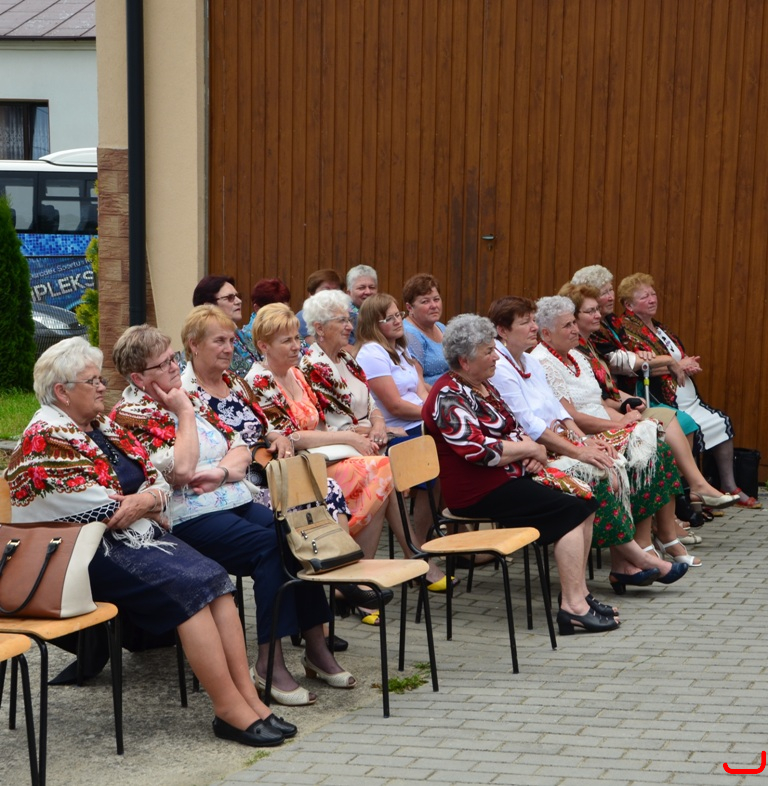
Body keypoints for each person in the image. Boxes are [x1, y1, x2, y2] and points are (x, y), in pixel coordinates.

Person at [5, 337, 294, 747]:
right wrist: (147, 500)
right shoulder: (44, 438)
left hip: (133, 537)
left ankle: (250, 699)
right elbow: (105, 508)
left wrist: (147, 499)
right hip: (80, 554)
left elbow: (156, 480)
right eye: (92, 381)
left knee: (216, 580)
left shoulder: (102, 426)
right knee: (190, 590)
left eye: (100, 378)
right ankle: (229, 709)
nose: (103, 386)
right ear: (62, 392)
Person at [111, 325, 355, 707]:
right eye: (163, 364)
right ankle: (269, 662)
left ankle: (316, 647)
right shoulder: (133, 415)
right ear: (139, 378)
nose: (174, 367)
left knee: (298, 536)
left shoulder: (188, 396)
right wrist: (184, 414)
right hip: (187, 516)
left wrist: (223, 471)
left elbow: (241, 445)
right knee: (270, 548)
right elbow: (180, 471)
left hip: (231, 497)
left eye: (173, 358)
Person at [247, 302, 454, 613]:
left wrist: (373, 428)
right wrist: (352, 437)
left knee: (383, 471)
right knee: (382, 470)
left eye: (296, 338)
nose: (297, 346)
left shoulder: (297, 373)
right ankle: (383, 568)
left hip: (324, 456)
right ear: (264, 346)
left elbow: (335, 419)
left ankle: (361, 579)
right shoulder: (260, 380)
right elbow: (291, 436)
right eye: (286, 340)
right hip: (300, 471)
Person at [422, 314, 619, 636]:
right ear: (464, 361)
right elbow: (479, 451)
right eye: (488, 351)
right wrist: (529, 450)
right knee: (571, 510)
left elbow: (513, 428)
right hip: (477, 492)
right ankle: (572, 608)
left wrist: (531, 452)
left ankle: (580, 595)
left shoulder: (482, 386)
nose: (496, 357)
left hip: (506, 478)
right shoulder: (447, 396)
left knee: (585, 501)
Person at [178, 304, 354, 650]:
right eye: (219, 341)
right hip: (231, 486)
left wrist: (276, 436)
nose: (229, 348)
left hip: (259, 475)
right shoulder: (187, 393)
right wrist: (248, 454)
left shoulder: (234, 383)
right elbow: (212, 450)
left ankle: (322, 618)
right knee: (294, 526)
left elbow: (263, 425)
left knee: (310, 510)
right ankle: (329, 600)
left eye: (232, 340)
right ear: (194, 345)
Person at [488, 296, 688, 589]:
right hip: (536, 451)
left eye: (533, 320)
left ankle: (640, 551)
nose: (533, 327)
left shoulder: (528, 360)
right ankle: (634, 557)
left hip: (559, 439)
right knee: (604, 471)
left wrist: (585, 442)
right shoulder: (502, 366)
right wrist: (581, 450)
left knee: (636, 452)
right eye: (526, 322)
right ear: (503, 330)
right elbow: (530, 424)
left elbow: (559, 412)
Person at [530, 296, 703, 573]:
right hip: (578, 436)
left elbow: (597, 401)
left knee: (657, 447)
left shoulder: (577, 355)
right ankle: (645, 542)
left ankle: (664, 535)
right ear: (546, 333)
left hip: (599, 427)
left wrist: (624, 414)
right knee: (646, 452)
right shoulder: (543, 362)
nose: (575, 330)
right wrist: (619, 427)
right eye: (567, 325)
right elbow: (570, 417)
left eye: (574, 322)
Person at [617, 273, 758, 508]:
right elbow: (638, 369)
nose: (652, 299)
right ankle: (693, 497)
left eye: (653, 294)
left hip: (688, 396)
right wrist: (676, 367)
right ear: (629, 305)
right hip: (664, 398)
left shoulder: (659, 327)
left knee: (721, 422)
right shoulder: (627, 331)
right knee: (691, 427)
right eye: (644, 297)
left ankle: (728, 485)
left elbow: (675, 358)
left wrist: (687, 364)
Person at [356, 294, 459, 572]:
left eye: (397, 315)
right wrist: (435, 416)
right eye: (388, 318)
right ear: (373, 324)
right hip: (396, 431)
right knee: (434, 455)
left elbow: (421, 390)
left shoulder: (400, 349)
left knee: (451, 450)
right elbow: (395, 405)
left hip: (418, 424)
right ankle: (420, 547)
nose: (397, 321)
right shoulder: (371, 353)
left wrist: (438, 412)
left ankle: (436, 539)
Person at [192, 275, 256, 376]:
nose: (239, 301)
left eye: (237, 296)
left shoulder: (247, 336)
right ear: (208, 306)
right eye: (230, 298)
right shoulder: (199, 344)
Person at [402, 273, 449, 386]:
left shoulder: (441, 327)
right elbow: (418, 383)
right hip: (432, 394)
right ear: (409, 307)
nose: (434, 305)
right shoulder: (409, 334)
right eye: (425, 301)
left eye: (436, 299)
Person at [239, 278, 292, 360]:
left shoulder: (291, 327)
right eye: (276, 311)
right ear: (257, 308)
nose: (282, 316)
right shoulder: (244, 340)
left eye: (286, 310)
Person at [296, 269, 343, 339]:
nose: (331, 295)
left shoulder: (345, 315)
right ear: (312, 293)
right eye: (326, 290)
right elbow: (316, 343)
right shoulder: (304, 317)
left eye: (335, 291)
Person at [345, 264, 378, 346]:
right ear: (349, 293)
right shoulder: (344, 316)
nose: (368, 292)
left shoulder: (382, 312)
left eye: (372, 287)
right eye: (361, 288)